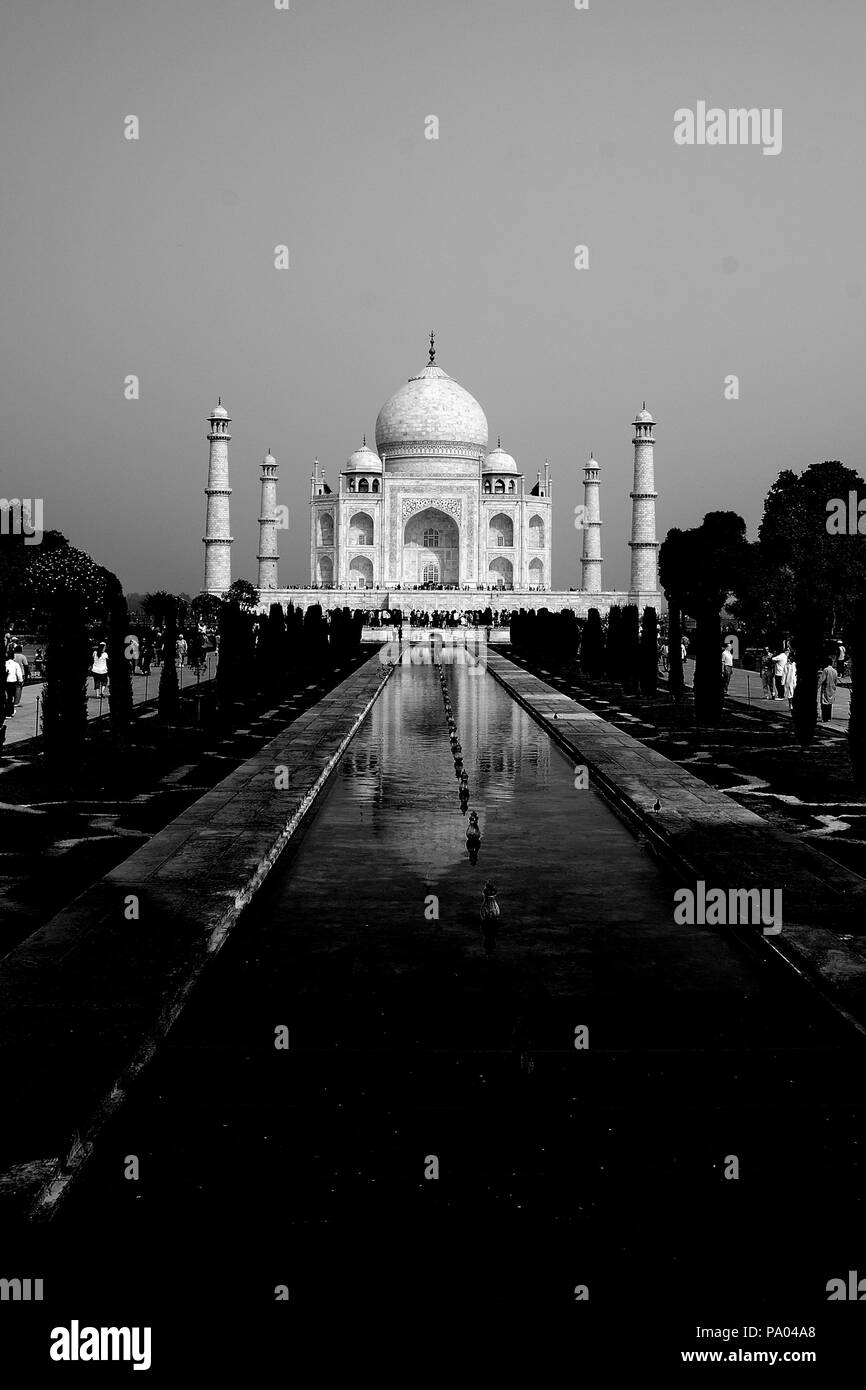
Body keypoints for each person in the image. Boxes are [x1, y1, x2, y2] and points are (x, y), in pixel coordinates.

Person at [4, 652, 24, 718]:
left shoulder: (5, 663)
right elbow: (19, 673)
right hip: (12, 682)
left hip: (5, 681)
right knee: (11, 697)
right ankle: (10, 712)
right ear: (13, 657)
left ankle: (7, 711)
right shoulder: (15, 664)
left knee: (6, 697)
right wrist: (21, 680)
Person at [819, 657, 838, 722]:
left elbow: (822, 680)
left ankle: (824, 718)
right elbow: (836, 682)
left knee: (824, 704)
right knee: (830, 704)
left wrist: (817, 686)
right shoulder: (835, 671)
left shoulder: (825, 670)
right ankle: (829, 718)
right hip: (832, 690)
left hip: (826, 689)